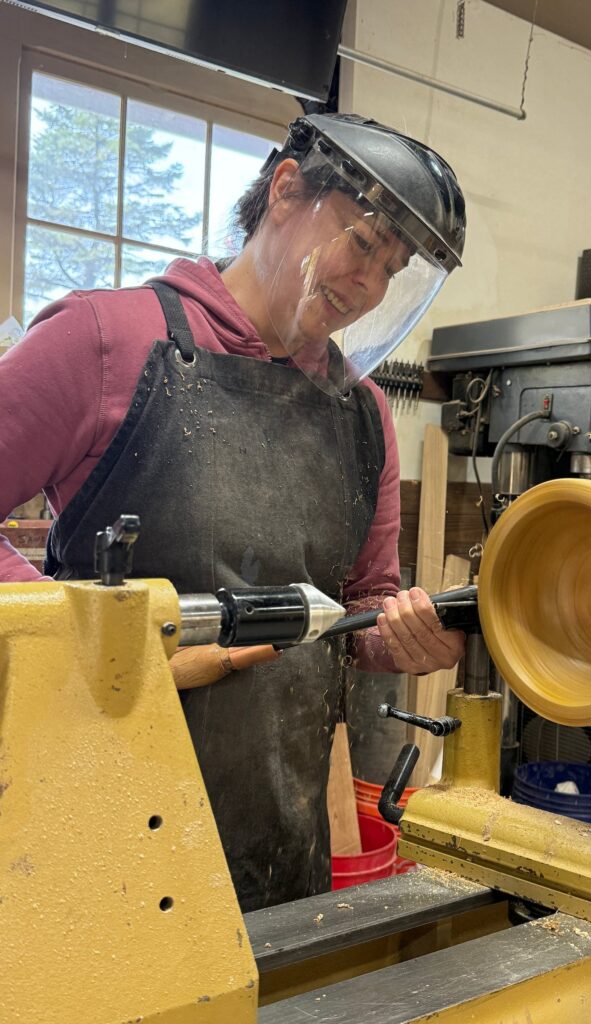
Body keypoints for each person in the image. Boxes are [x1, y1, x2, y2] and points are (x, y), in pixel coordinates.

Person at [0, 113, 467, 910]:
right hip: (97, 832)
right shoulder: (104, 339)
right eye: (363, 242)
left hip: (279, 848)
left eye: (392, 270)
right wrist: (81, 626)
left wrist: (411, 634)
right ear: (286, 190)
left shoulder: (362, 416)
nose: (368, 284)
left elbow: (364, 609)